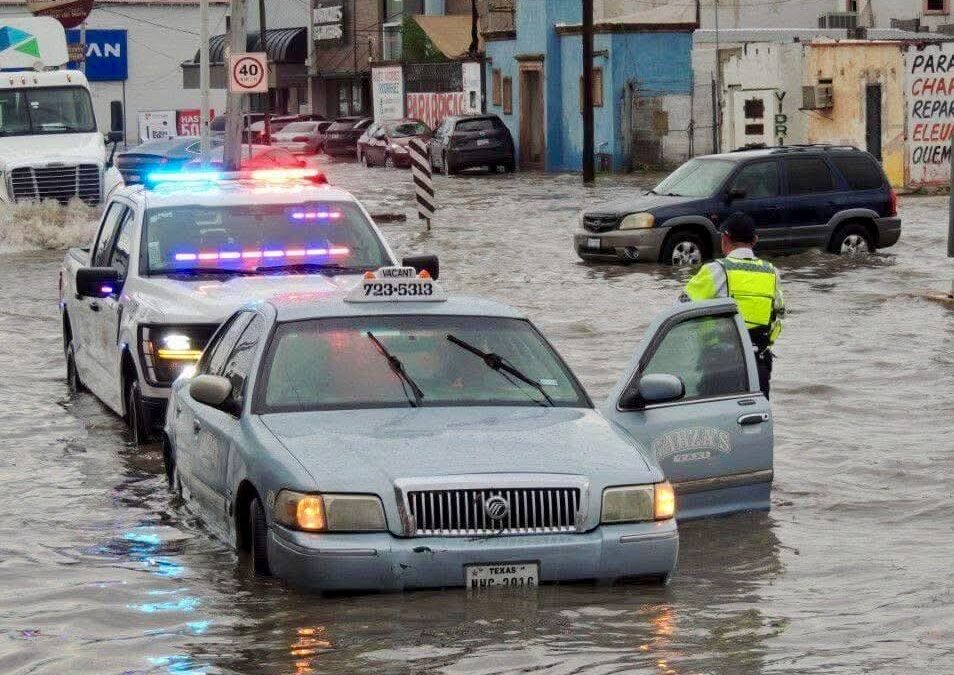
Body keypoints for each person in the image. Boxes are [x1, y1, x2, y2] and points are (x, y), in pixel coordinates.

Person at [681, 212, 785, 398]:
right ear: (755, 240)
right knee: (755, 415)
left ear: (725, 238)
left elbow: (680, 308)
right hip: (757, 365)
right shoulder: (772, 273)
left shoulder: (716, 270)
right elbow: (780, 315)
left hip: (719, 365)